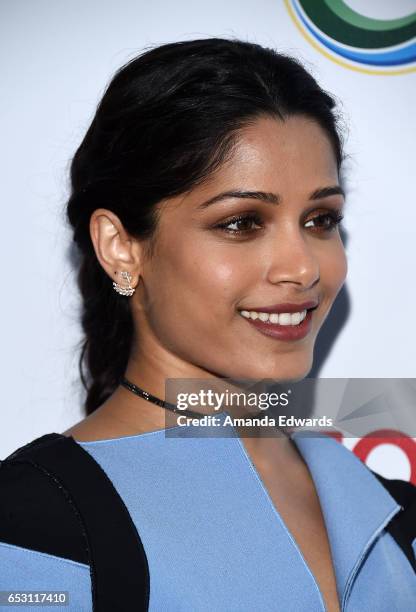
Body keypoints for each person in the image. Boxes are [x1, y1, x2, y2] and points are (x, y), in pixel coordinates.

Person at [0, 38, 415, 612]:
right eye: (243, 222)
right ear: (121, 247)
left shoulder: (388, 506)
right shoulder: (34, 521)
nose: (302, 266)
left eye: (321, 219)